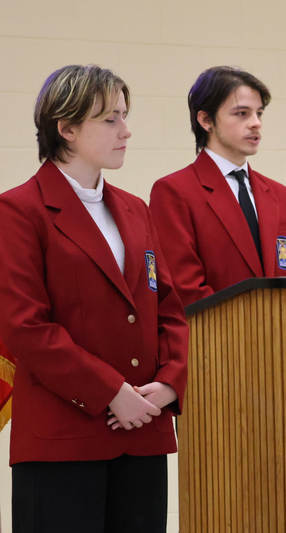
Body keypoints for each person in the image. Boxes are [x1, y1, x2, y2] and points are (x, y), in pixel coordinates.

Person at [0, 65, 188, 533]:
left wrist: (169, 383)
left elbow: (168, 307)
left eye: (125, 116)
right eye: (110, 120)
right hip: (62, 441)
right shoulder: (18, 210)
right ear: (65, 128)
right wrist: (110, 393)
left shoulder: (135, 208)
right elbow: (25, 327)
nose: (126, 130)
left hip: (142, 430)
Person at [149, 66, 286, 306]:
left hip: (280, 336)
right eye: (242, 113)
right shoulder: (174, 192)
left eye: (259, 113)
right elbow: (185, 289)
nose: (256, 123)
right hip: (215, 338)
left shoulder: (278, 194)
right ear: (206, 119)